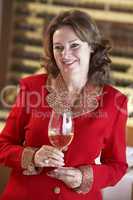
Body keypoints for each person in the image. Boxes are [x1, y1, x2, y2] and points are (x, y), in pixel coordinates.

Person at [0, 9, 128, 200]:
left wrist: (83, 177)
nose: (65, 55)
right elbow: (3, 145)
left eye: (74, 45)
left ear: (91, 47)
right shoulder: (31, 88)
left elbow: (117, 166)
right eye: (58, 47)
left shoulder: (114, 101)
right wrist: (32, 156)